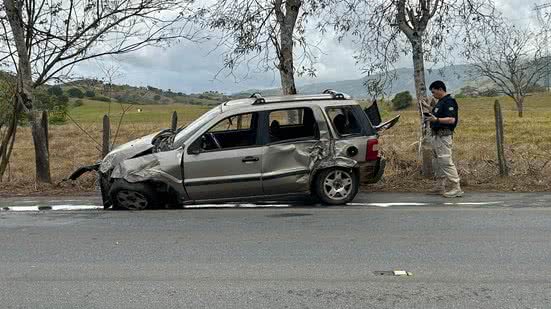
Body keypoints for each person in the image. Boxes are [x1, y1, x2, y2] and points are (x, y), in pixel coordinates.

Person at [426, 81, 463, 198]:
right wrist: (428, 108)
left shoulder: (449, 101)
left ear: (440, 89)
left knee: (445, 161)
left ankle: (456, 187)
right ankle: (440, 186)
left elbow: (451, 119)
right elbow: (438, 113)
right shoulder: (440, 102)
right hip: (436, 135)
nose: (433, 94)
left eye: (434, 92)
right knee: (437, 162)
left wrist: (436, 120)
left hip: (443, 135)